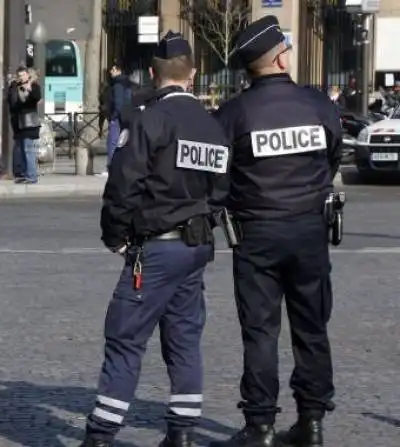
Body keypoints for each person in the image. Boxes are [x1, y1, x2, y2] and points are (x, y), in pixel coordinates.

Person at [82, 31, 229, 447]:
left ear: (152, 72)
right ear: (194, 74)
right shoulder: (213, 125)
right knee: (184, 339)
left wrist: (115, 236)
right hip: (197, 247)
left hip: (157, 246)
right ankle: (181, 433)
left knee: (125, 338)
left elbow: (123, 184)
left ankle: (100, 436)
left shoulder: (149, 119)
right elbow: (222, 190)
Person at [209, 15, 342, 447]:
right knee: (312, 327)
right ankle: (313, 421)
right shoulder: (317, 104)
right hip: (309, 230)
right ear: (281, 57)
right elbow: (334, 157)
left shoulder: (233, 114)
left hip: (255, 234)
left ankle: (260, 426)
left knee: (261, 332)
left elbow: (217, 179)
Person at [7, 66, 42, 184]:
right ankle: (24, 173)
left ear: (28, 75)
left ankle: (31, 176)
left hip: (29, 123)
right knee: (21, 150)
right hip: (18, 124)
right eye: (19, 75)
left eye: (23, 75)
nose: (21, 78)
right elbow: (11, 102)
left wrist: (29, 89)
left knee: (28, 150)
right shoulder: (15, 87)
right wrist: (12, 87)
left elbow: (36, 97)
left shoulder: (34, 86)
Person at [98, 62, 133, 177]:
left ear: (119, 70)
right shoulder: (127, 83)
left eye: (113, 70)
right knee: (122, 143)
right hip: (126, 116)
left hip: (117, 117)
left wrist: (113, 117)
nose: (110, 72)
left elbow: (118, 103)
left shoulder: (117, 84)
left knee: (112, 143)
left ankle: (111, 168)